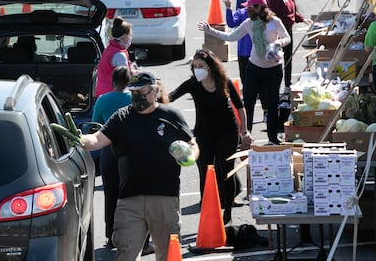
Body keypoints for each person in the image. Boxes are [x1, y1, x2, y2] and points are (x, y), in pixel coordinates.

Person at [80, 70, 199, 261]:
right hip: (130, 201)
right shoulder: (122, 117)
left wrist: (191, 155)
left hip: (164, 198)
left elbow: (192, 144)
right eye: (133, 92)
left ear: (154, 91)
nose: (136, 96)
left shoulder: (171, 115)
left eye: (141, 91)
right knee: (126, 253)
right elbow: (97, 139)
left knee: (167, 254)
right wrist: (80, 139)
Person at [169, 49, 253, 225]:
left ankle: (227, 213)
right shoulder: (193, 83)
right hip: (204, 133)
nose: (197, 69)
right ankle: (208, 212)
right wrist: (153, 96)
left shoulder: (224, 81)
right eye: (195, 66)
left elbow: (240, 107)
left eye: (201, 66)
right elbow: (171, 96)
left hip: (228, 131)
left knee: (226, 170)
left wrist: (244, 131)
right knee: (205, 172)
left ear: (210, 67)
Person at [198, 0, 291, 145]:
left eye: (251, 7)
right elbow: (230, 37)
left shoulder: (275, 22)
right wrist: (210, 30)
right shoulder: (249, 23)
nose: (248, 9)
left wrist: (279, 42)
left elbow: (287, 38)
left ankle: (273, 137)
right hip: (254, 67)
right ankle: (245, 136)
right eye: (248, 7)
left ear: (261, 7)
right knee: (248, 102)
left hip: (274, 68)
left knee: (273, 103)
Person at [223, 0, 268, 123]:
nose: (249, 0)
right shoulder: (242, 12)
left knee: (263, 85)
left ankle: (266, 111)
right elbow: (231, 23)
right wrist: (228, 8)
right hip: (243, 53)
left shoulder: (265, 16)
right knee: (247, 83)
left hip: (259, 53)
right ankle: (248, 116)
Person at [267, 0, 312, 94]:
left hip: (288, 31)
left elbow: (294, 13)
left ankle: (287, 83)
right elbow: (271, 14)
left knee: (288, 58)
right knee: (274, 59)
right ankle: (272, 85)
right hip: (277, 32)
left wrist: (302, 19)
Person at [95, 16, 133, 97]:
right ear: (125, 36)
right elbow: (124, 78)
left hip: (101, 92)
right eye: (130, 35)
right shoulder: (119, 55)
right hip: (113, 94)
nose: (130, 38)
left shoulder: (109, 49)